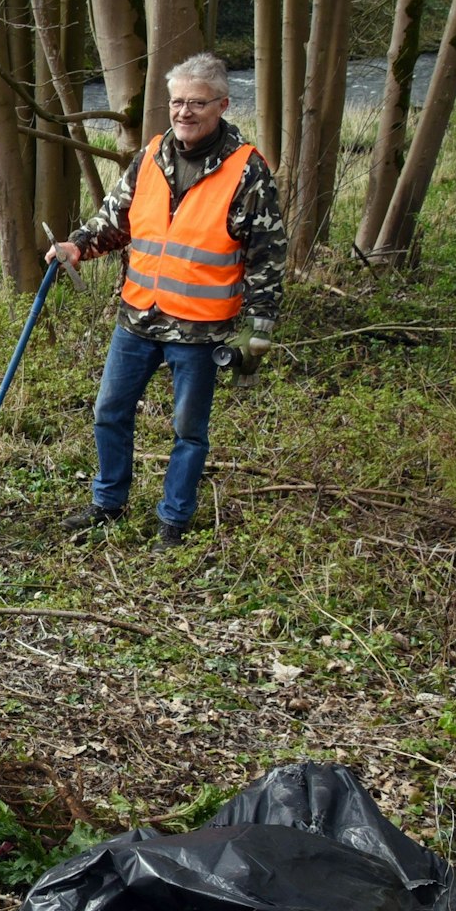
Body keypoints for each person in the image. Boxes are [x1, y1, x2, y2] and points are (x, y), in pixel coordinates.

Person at [46, 51, 285, 552]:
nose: (184, 113)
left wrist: (260, 325)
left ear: (221, 104)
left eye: (197, 103)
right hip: (138, 316)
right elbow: (115, 222)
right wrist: (76, 246)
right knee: (109, 411)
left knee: (188, 431)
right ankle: (108, 504)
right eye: (177, 102)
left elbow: (267, 255)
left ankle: (173, 521)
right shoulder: (151, 155)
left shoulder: (248, 170)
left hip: (200, 329)